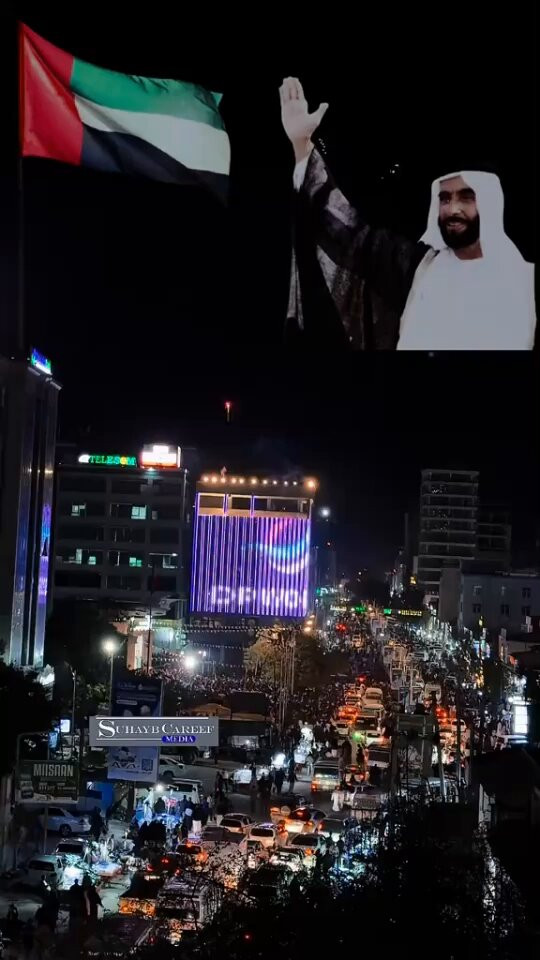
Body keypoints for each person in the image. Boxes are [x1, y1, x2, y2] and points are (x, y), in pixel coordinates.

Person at [281, 77, 536, 352]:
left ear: (489, 203)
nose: (453, 209)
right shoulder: (416, 266)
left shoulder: (526, 282)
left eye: (466, 197)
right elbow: (348, 234)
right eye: (445, 198)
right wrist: (301, 144)